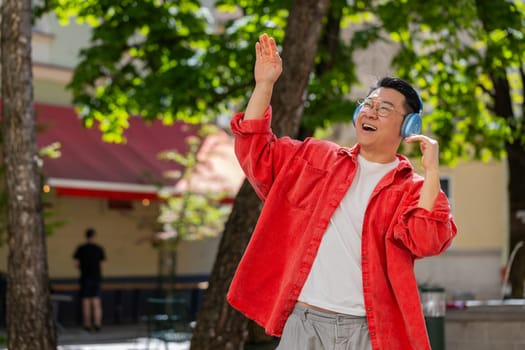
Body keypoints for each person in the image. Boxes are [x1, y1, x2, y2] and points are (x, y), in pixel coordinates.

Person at [226, 33, 457, 350]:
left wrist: (431, 172)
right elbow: (256, 151)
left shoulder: (413, 189)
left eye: (385, 108)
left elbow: (426, 239)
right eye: (368, 104)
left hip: (367, 332)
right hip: (302, 325)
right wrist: (264, 84)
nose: (371, 112)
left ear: (409, 127)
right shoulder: (315, 159)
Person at [73, 228, 106, 332]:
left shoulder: (81, 249)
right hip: (96, 278)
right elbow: (102, 265)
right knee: (96, 302)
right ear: (94, 236)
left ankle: (87, 324)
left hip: (85, 278)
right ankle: (97, 323)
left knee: (86, 302)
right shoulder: (99, 249)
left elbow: (76, 264)